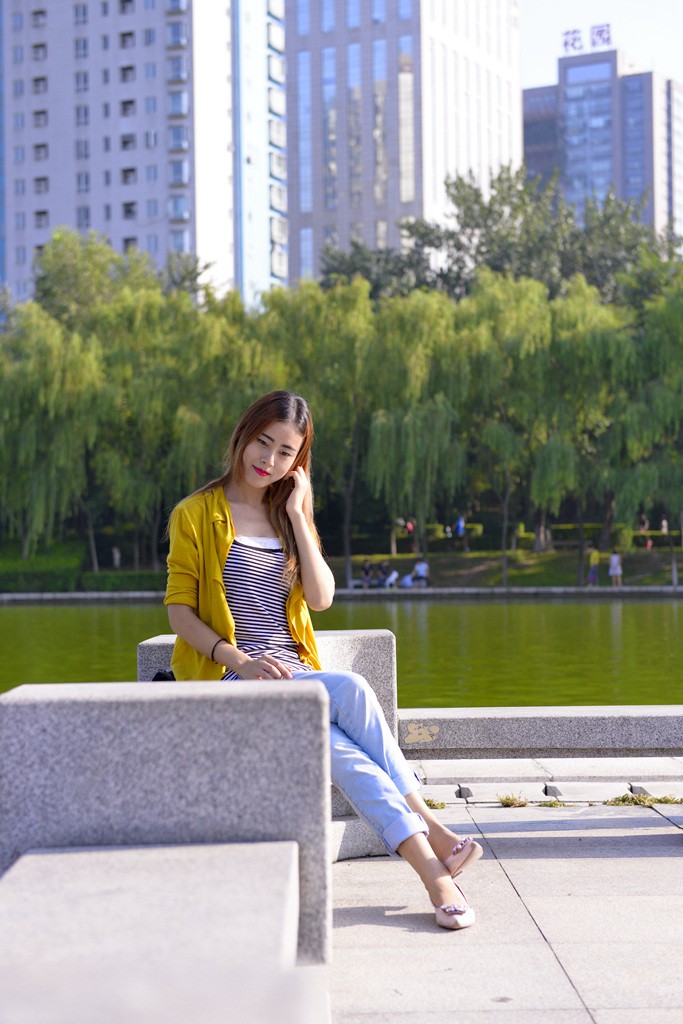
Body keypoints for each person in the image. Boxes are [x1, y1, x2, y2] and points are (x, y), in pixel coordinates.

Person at [164, 391, 480, 930]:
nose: (269, 459)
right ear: (242, 437)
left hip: (297, 676)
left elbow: (321, 597)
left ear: (299, 461)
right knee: (351, 689)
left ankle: (435, 871)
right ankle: (432, 835)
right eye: (263, 443)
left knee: (345, 748)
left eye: (286, 452)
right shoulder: (195, 514)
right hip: (235, 679)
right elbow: (180, 613)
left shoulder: (287, 514)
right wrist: (241, 661)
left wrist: (297, 514)